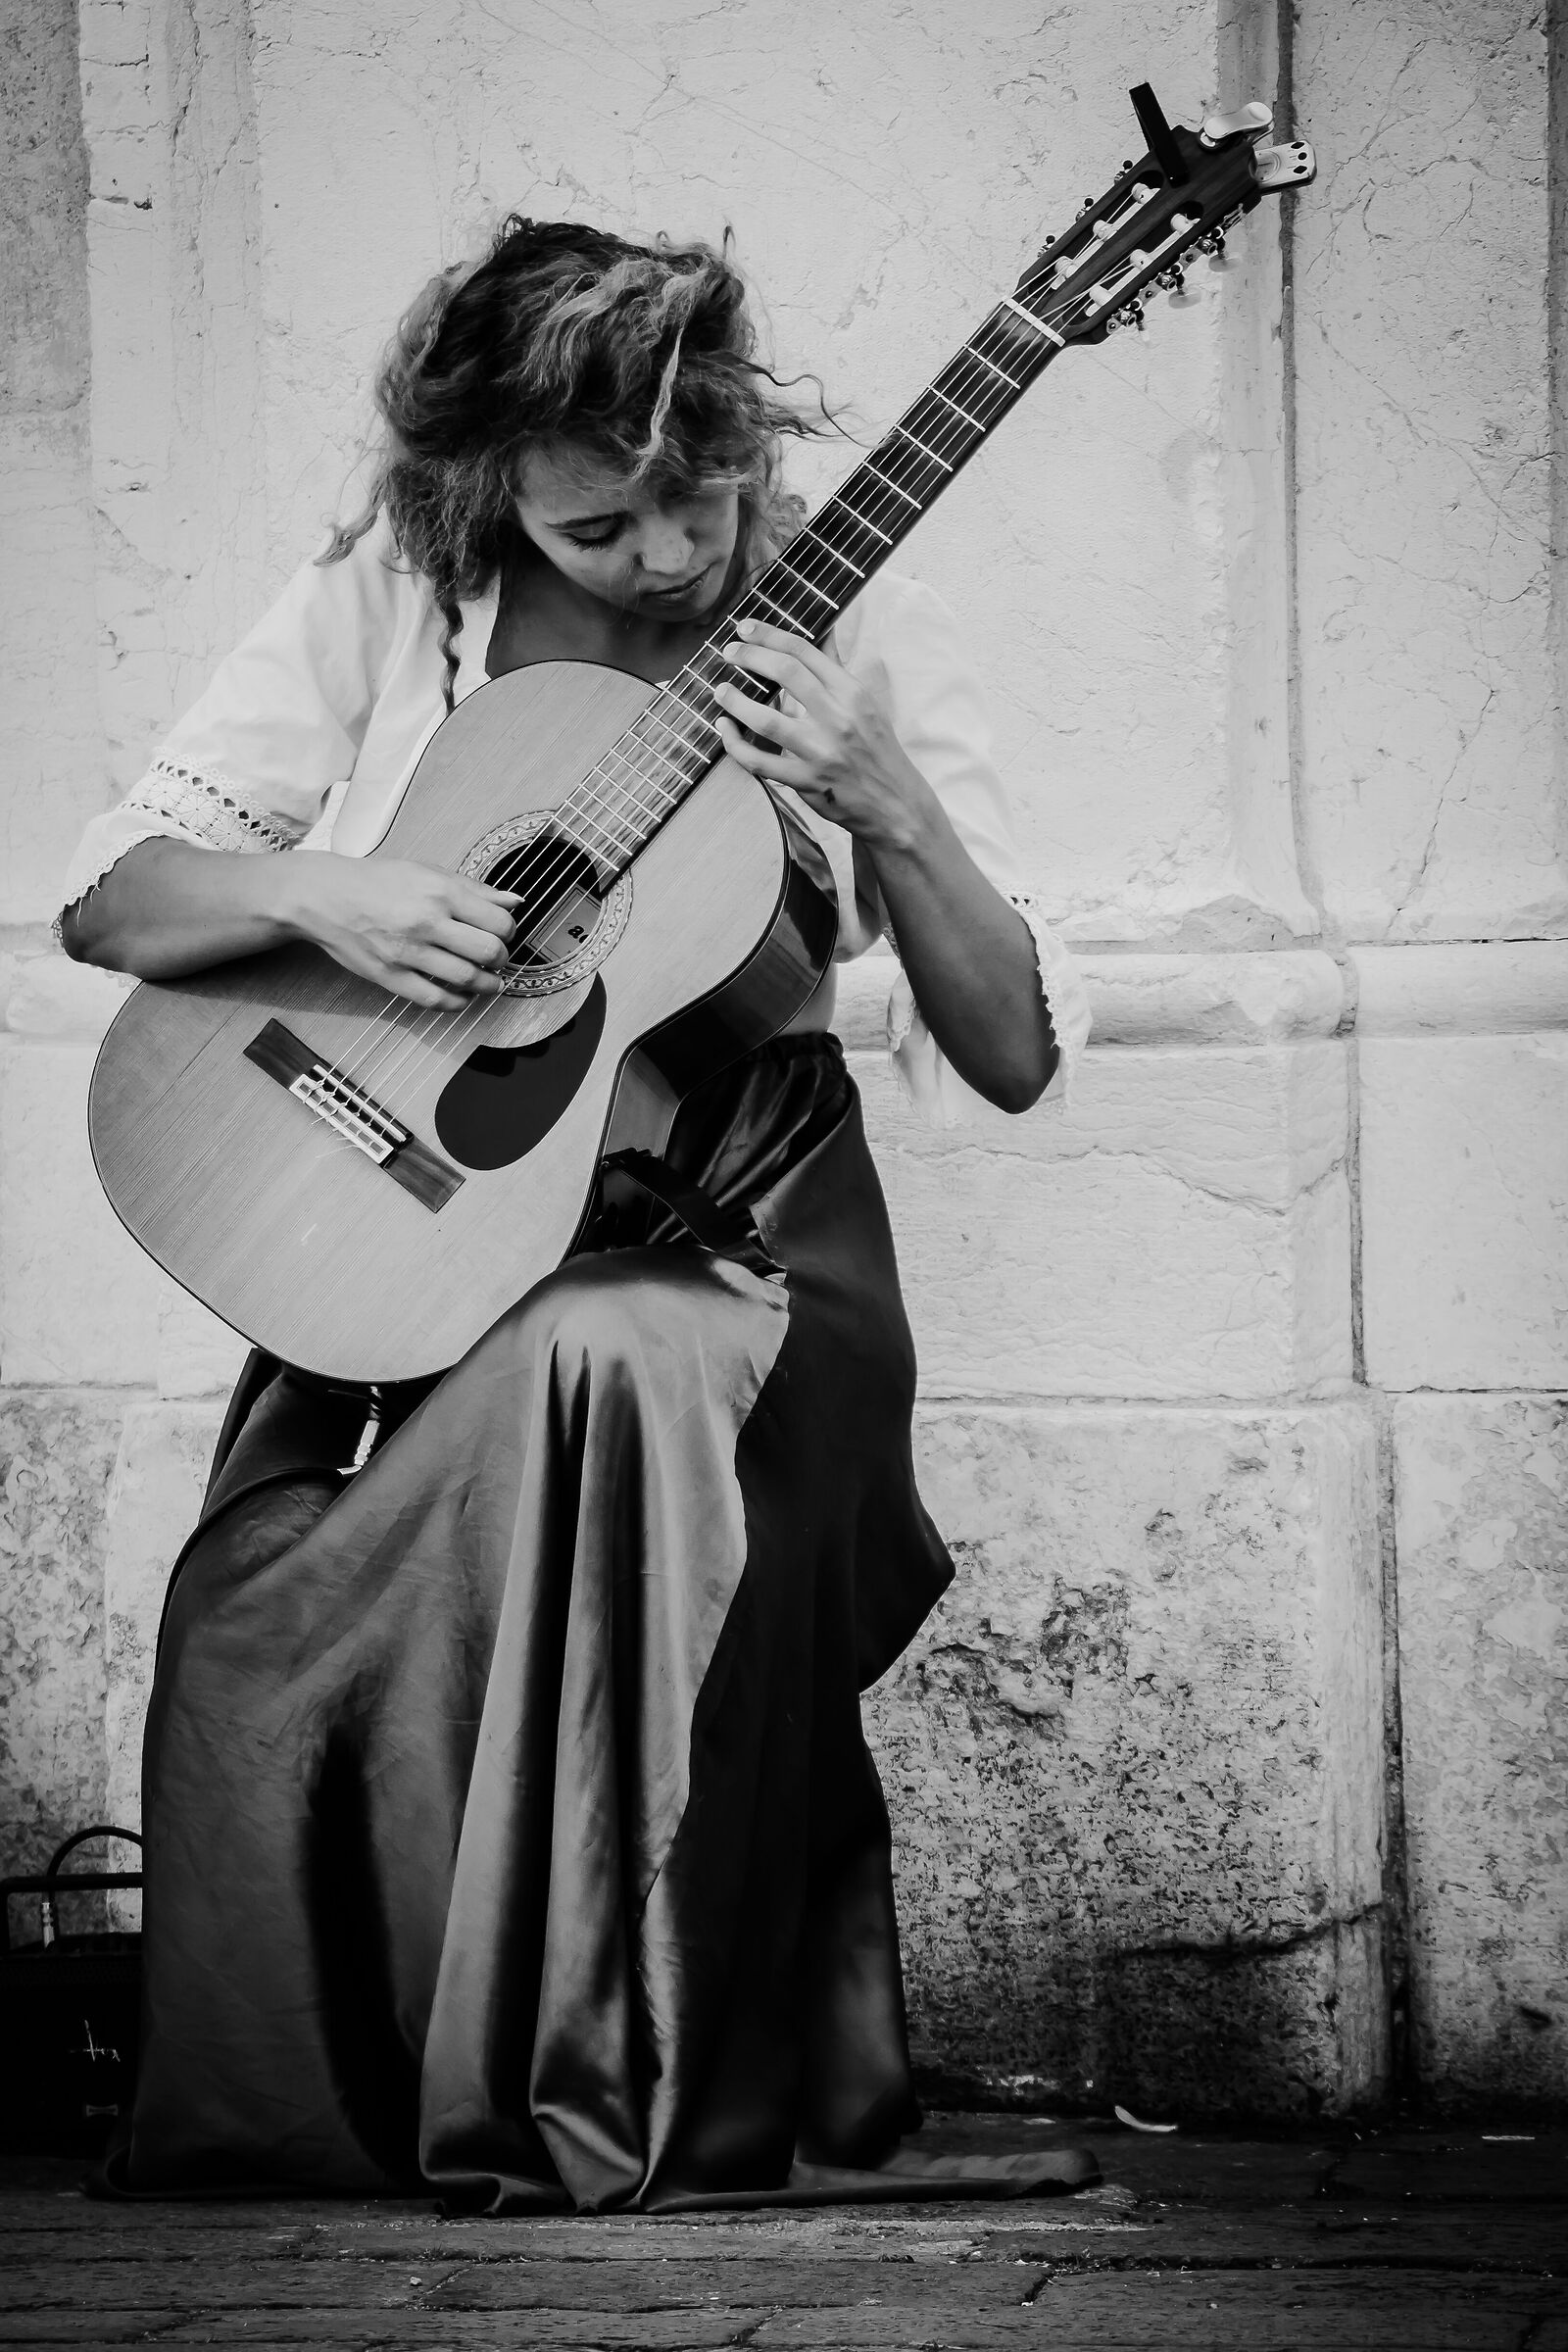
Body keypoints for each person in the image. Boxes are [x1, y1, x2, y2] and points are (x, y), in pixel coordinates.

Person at [58, 218, 1094, 2211]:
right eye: (597, 522)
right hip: (449, 1245)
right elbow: (119, 897)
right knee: (255, 1599)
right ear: (484, 488)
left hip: (753, 1267)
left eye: (693, 493)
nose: (665, 552)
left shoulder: (838, 603)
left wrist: (893, 809)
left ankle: (644, 2090)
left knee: (603, 1345)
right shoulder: (396, 595)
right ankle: (358, 2094)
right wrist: (336, 895)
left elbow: (1011, 1051)